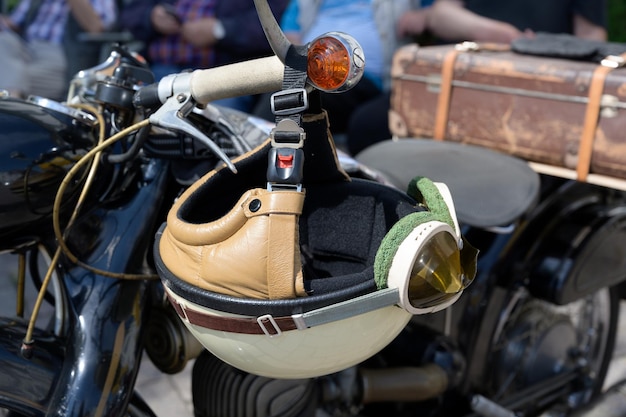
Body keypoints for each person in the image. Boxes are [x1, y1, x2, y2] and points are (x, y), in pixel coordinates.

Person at [345, 0, 608, 155]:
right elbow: (441, 15)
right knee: (368, 125)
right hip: (451, 81)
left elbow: (592, 41)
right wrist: (505, 36)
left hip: (533, 92)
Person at [252, 0, 433, 142]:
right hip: (313, 69)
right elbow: (288, 38)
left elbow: (442, 10)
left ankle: (255, 151)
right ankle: (256, 153)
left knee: (291, 97)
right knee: (284, 91)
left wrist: (425, 15)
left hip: (365, 78)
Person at [118, 0, 288, 111]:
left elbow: (274, 25)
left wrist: (220, 30)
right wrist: (151, 17)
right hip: (157, 71)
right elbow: (128, 15)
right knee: (122, 110)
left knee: (215, 124)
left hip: (223, 77)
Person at [0, 0, 118, 100]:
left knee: (7, 77)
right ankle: (11, 102)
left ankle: (9, 99)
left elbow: (96, 28)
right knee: (3, 40)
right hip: (25, 50)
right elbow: (13, 24)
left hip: (60, 55)